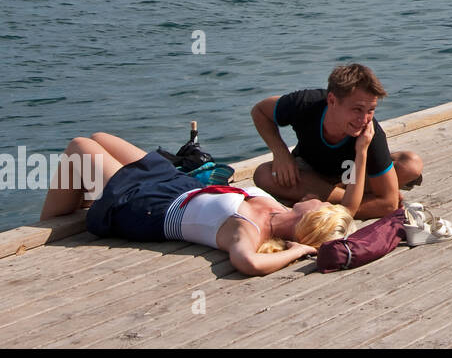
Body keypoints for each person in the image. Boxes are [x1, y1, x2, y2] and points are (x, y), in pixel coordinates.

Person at [41, 132, 353, 276]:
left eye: (319, 207)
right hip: (179, 185)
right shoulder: (280, 209)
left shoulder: (248, 230)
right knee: (101, 138)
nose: (315, 201)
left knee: (80, 147)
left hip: (149, 207)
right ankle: (86, 195)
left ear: (309, 221)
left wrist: (298, 251)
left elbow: (249, 263)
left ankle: (49, 223)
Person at [251, 63, 421, 219]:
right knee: (264, 175)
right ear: (332, 100)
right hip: (310, 173)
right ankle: (350, 196)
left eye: (371, 110)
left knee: (411, 165)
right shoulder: (305, 103)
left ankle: (329, 198)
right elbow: (259, 111)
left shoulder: (371, 132)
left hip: (353, 175)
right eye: (357, 109)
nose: (364, 119)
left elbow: (389, 205)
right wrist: (281, 153)